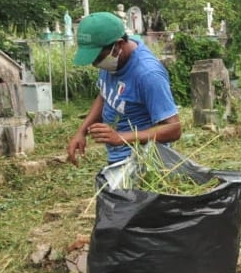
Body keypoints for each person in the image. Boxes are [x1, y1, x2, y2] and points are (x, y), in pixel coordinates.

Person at [66, 11, 182, 166]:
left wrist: (120, 138)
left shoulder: (148, 74)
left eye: (98, 58)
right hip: (118, 157)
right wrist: (82, 131)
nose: (95, 64)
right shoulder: (114, 60)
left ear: (118, 45)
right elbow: (105, 94)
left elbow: (174, 128)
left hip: (145, 163)